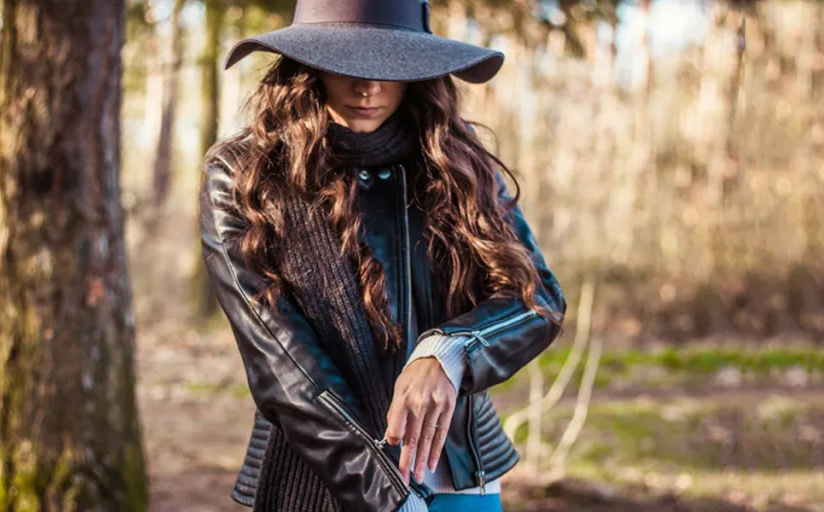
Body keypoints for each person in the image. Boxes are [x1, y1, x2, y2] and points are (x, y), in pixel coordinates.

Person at [198, 0, 567, 511]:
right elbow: (280, 361)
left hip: (458, 478)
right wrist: (388, 498)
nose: (367, 87)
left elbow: (537, 299)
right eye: (346, 64)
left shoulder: (458, 163)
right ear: (306, 66)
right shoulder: (243, 176)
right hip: (320, 479)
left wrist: (452, 351)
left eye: (389, 65)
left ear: (418, 70)